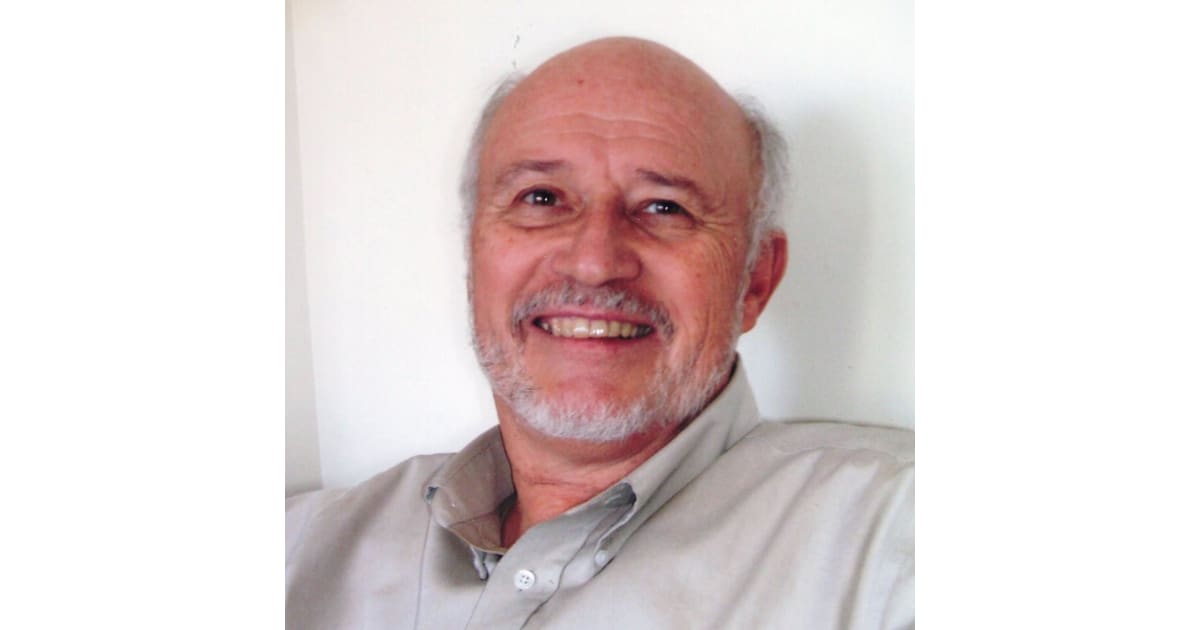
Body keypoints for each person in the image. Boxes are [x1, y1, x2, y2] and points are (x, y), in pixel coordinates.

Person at [286, 36, 913, 629]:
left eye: (664, 207)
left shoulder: (895, 541)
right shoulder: (300, 545)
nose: (593, 261)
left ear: (755, 281)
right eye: (541, 198)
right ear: (474, 252)